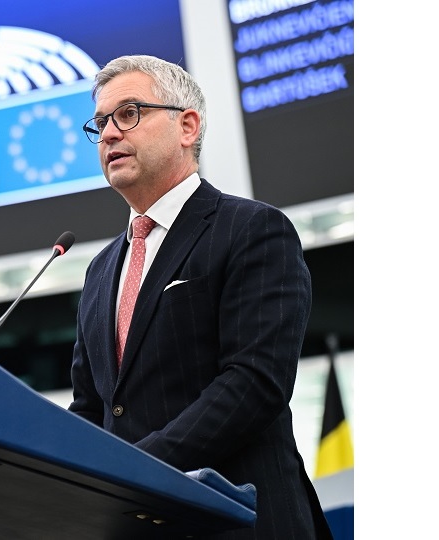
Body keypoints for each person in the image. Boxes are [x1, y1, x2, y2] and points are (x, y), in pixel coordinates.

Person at [67, 55, 332, 539]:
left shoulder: (252, 229)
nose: (107, 134)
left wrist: (133, 468)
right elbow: (91, 407)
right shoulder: (101, 269)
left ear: (187, 125)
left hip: (241, 522)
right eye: (100, 122)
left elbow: (255, 383)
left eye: (128, 113)